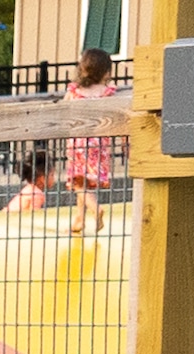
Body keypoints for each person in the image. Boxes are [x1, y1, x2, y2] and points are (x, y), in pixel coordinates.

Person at [61, 48, 124, 237]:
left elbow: (64, 110)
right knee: (87, 181)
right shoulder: (108, 93)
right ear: (106, 71)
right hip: (99, 141)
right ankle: (79, 219)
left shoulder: (75, 91)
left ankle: (96, 209)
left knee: (79, 182)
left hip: (78, 141)